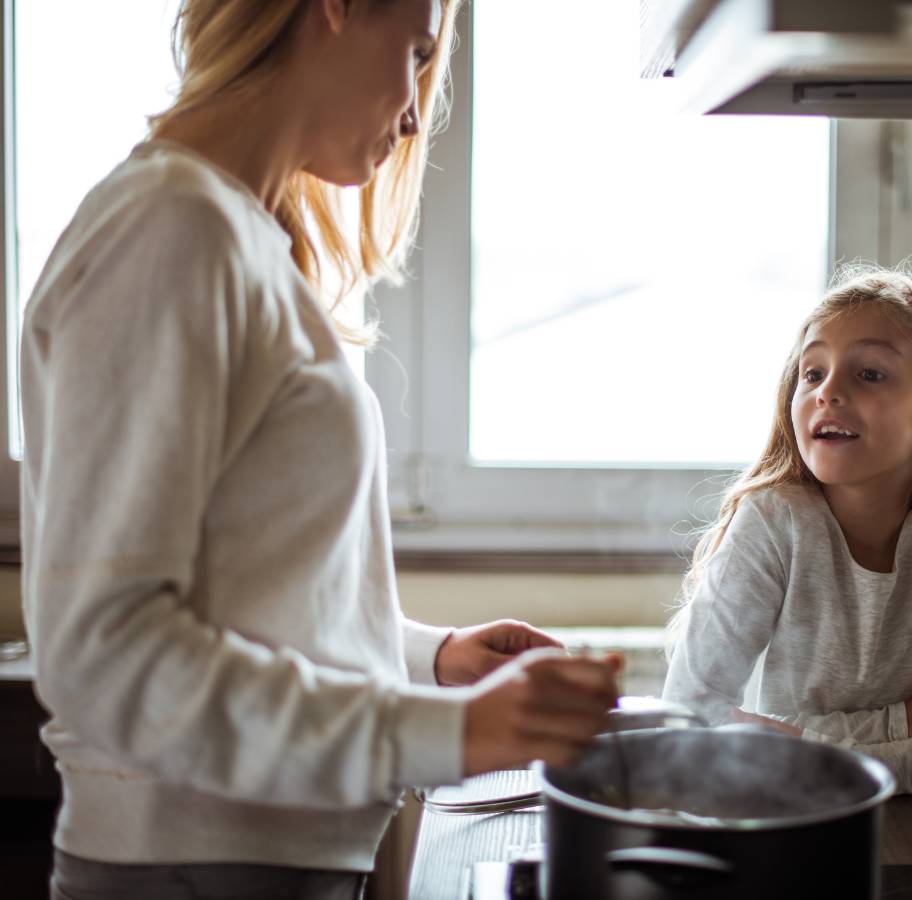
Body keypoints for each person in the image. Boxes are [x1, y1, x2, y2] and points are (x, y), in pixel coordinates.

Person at [20, 1, 619, 897]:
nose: (416, 112)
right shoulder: (171, 232)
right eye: (418, 53)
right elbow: (106, 651)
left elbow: (251, 588)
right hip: (195, 867)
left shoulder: (229, 234)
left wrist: (425, 657)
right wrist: (450, 735)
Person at [661, 266, 912, 795]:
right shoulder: (773, 520)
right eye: (812, 373)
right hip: (789, 823)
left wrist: (807, 752)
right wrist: (903, 723)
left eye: (869, 374)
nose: (827, 392)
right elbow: (688, 729)